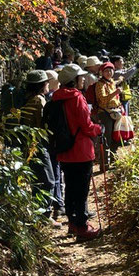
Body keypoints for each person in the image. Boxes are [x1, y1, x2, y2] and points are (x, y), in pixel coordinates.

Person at [51, 64, 102, 241]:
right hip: (81, 151)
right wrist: (98, 129)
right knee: (81, 191)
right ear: (74, 80)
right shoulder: (77, 98)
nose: (83, 79)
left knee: (70, 188)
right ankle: (82, 227)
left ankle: (73, 223)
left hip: (64, 151)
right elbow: (86, 126)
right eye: (80, 77)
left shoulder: (56, 97)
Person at [20, 70, 60, 227]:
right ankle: (44, 217)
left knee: (38, 181)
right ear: (42, 85)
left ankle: (39, 217)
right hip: (37, 145)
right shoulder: (39, 101)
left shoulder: (27, 100)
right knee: (48, 181)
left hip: (28, 145)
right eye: (47, 83)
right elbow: (43, 123)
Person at [95, 62, 123, 168]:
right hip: (105, 113)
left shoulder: (112, 82)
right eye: (106, 71)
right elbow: (102, 100)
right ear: (102, 72)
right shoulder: (100, 84)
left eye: (111, 70)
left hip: (115, 112)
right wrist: (115, 93)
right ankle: (104, 164)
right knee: (107, 139)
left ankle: (113, 160)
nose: (109, 72)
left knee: (116, 137)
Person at [44, 69, 64, 218]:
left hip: (45, 142)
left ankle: (55, 204)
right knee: (55, 173)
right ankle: (58, 203)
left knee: (52, 173)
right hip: (52, 142)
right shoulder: (51, 98)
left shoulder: (41, 98)